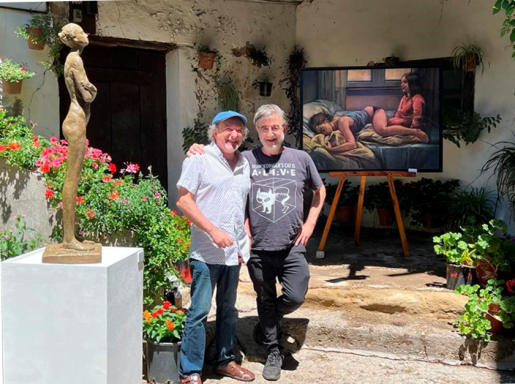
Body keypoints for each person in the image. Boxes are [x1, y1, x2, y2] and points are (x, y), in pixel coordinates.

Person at [188, 104, 326, 381]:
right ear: (258, 133)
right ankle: (272, 350)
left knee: (295, 294)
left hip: (291, 245)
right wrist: (196, 147)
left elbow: (319, 190)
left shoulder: (300, 158)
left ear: (284, 129)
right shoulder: (245, 159)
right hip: (258, 247)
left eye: (275, 127)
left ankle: (267, 322)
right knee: (263, 297)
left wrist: (310, 223)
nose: (270, 133)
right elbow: (223, 167)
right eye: (264, 128)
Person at [177, 111, 255, 384]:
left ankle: (224, 360)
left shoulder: (245, 163)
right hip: (205, 251)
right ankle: (191, 372)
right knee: (199, 311)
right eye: (227, 128)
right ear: (215, 132)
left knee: (229, 309)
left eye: (238, 130)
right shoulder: (198, 158)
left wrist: (245, 231)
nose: (233, 134)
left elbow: (241, 202)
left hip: (234, 253)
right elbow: (184, 201)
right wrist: (212, 230)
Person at [58, 23, 98, 251]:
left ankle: (71, 236)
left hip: (75, 119)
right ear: (74, 38)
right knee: (72, 178)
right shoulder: (75, 59)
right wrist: (94, 90)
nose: (87, 34)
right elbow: (87, 94)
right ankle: (69, 239)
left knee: (73, 177)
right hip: (75, 120)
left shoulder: (72, 58)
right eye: (82, 31)